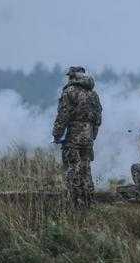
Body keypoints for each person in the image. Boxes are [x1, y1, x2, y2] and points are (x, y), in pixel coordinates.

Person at [52, 66, 102, 209]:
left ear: (72, 77)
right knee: (86, 169)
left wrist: (56, 135)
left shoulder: (69, 92)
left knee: (72, 169)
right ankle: (89, 202)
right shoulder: (93, 94)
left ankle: (73, 204)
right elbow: (98, 118)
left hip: (73, 137)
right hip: (88, 138)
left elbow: (63, 116)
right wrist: (93, 135)